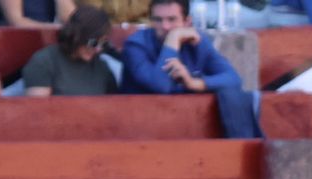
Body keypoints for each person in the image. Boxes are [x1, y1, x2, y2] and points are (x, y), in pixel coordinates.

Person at [121, 0, 261, 138]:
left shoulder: (198, 41)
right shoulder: (136, 45)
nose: (165, 26)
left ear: (187, 22)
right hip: (144, 127)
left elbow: (233, 78)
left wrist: (195, 83)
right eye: (158, 20)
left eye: (172, 19)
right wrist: (173, 40)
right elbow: (160, 86)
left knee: (233, 93)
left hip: (188, 126)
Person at [21, 3, 117, 97]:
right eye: (93, 42)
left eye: (103, 44)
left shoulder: (101, 67)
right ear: (77, 35)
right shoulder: (44, 62)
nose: (98, 49)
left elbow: (114, 106)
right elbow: (37, 109)